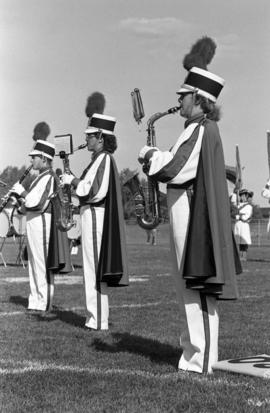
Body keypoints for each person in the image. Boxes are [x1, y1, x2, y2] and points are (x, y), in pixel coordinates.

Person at [138, 36, 240, 374]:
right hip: (186, 214)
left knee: (197, 288)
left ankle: (201, 360)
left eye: (183, 95)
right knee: (190, 288)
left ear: (199, 99)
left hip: (194, 217)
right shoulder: (194, 128)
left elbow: (174, 168)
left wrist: (151, 155)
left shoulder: (200, 128)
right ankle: (193, 354)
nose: (178, 100)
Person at [61, 113, 129, 331]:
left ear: (101, 137)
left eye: (90, 136)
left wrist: (72, 180)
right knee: (90, 268)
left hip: (95, 216)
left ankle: (98, 319)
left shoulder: (104, 159)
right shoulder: (97, 160)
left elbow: (95, 191)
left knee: (94, 268)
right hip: (89, 214)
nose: (87, 139)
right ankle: (94, 317)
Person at [11, 140, 72, 313]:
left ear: (44, 159)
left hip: (42, 223)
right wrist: (18, 201)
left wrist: (22, 192)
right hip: (33, 222)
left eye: (34, 157)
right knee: (33, 263)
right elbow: (29, 203)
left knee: (41, 263)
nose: (31, 161)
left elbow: (38, 202)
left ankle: (44, 301)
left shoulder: (49, 177)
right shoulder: (40, 177)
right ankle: (35, 300)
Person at [232, 189, 253, 261]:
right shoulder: (238, 205)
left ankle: (244, 256)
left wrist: (239, 216)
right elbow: (234, 211)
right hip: (238, 224)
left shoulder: (249, 206)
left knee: (244, 241)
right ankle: (240, 256)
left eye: (244, 196)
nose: (242, 197)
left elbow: (246, 217)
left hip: (244, 225)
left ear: (247, 197)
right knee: (239, 241)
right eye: (241, 196)